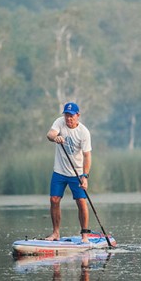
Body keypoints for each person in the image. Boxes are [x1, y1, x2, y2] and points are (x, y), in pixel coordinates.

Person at [45, 102, 92, 243]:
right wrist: (55, 137)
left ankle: (84, 235)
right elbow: (50, 134)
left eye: (71, 116)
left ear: (78, 115)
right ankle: (56, 233)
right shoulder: (60, 122)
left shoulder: (84, 132)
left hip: (76, 173)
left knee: (81, 201)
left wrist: (85, 176)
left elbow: (87, 156)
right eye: (66, 115)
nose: (68, 119)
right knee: (54, 200)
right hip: (59, 171)